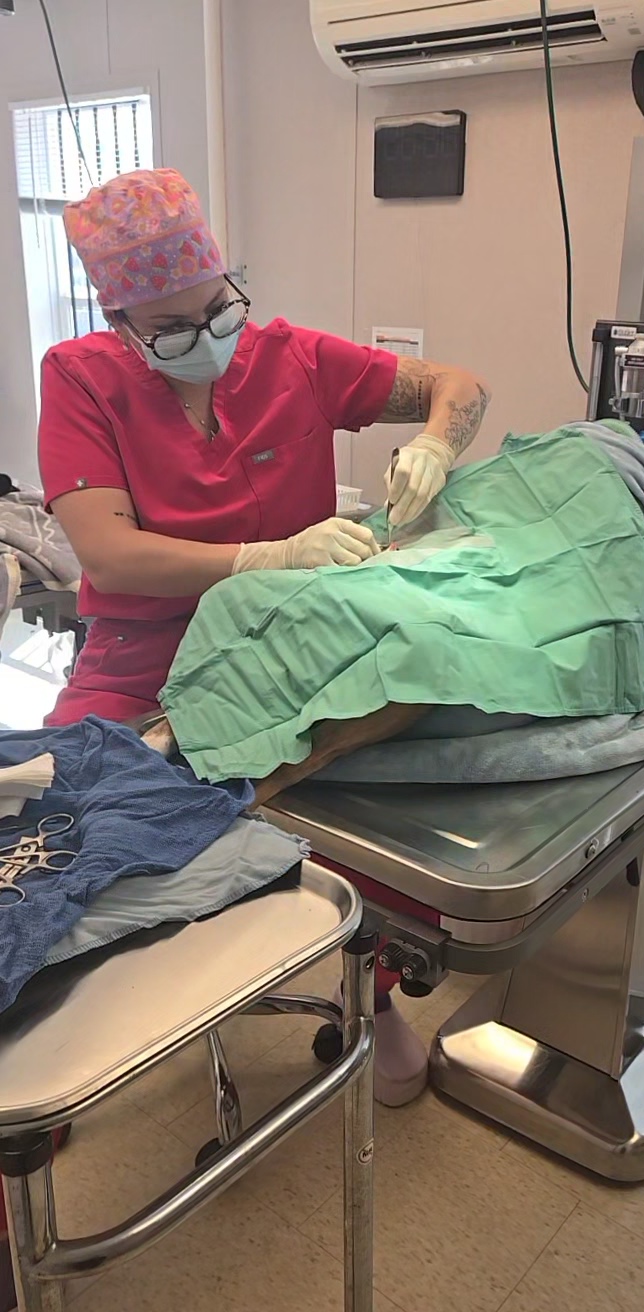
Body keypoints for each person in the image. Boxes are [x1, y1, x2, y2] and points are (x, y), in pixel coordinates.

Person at [38, 167, 491, 1106]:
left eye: (218, 308)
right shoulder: (81, 379)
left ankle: (371, 993)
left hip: (293, 645)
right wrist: (265, 556)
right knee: (65, 824)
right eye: (171, 327)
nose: (208, 337)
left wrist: (437, 443)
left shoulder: (292, 359)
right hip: (143, 657)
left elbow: (459, 384)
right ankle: (52, 1037)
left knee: (357, 813)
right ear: (119, 321)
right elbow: (108, 554)